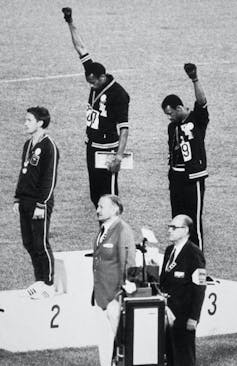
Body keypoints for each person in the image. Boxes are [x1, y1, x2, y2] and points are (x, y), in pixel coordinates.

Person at [62, 7, 130, 208]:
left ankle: (113, 234)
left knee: (109, 196)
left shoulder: (119, 94)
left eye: (93, 83)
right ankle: (104, 229)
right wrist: (69, 21)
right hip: (91, 146)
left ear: (102, 77)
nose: (91, 86)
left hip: (107, 149)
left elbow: (124, 129)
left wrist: (118, 156)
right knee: (95, 196)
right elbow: (80, 46)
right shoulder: (93, 72)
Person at [161, 63, 209, 251]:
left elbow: (202, 101)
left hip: (193, 178)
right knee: (178, 220)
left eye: (171, 113)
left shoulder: (197, 119)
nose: (169, 118)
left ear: (179, 107)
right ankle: (181, 258)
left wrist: (194, 79)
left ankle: (199, 264)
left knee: (193, 222)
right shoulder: (172, 127)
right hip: (176, 178)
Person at [13, 106, 59, 299]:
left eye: (29, 120)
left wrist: (42, 204)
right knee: (28, 242)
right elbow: (23, 173)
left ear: (40, 123)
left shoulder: (49, 146)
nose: (25, 123)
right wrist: (17, 197)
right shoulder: (28, 144)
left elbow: (50, 178)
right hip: (25, 200)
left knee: (40, 243)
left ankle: (49, 283)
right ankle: (39, 279)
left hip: (40, 203)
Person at [92, 194, 136, 366]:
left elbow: (129, 263)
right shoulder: (104, 229)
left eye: (101, 207)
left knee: (122, 344)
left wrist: (122, 295)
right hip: (101, 296)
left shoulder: (122, 230)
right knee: (104, 342)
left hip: (115, 298)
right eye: (98, 206)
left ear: (115, 209)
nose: (97, 210)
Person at [160, 214, 206, 366]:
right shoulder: (169, 251)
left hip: (184, 315)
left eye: (174, 227)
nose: (169, 231)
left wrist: (194, 317)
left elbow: (199, 288)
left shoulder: (194, 254)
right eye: (169, 227)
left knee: (184, 357)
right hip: (168, 313)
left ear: (185, 230)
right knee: (170, 356)